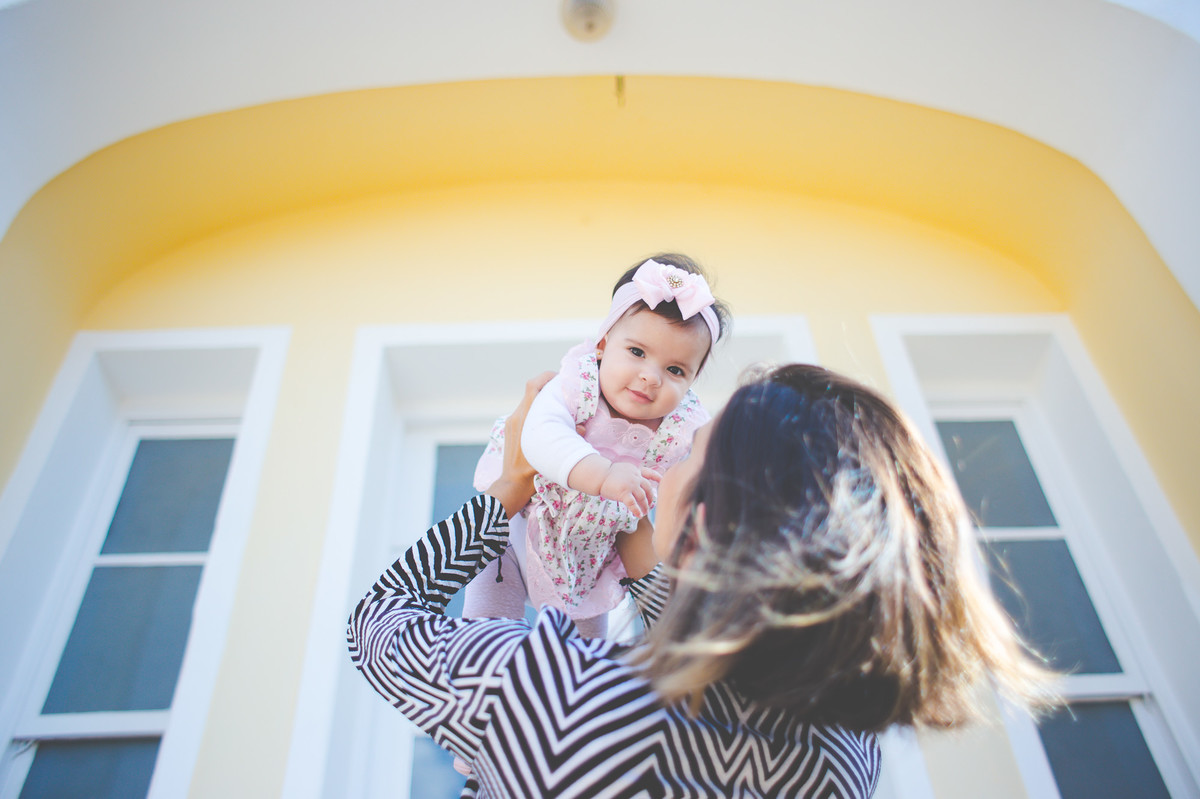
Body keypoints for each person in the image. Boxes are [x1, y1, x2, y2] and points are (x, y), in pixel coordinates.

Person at [347, 364, 1058, 797]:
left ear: (706, 520)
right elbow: (707, 669)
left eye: (688, 446)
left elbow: (378, 622)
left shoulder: (556, 696)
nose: (671, 451)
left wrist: (509, 485)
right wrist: (641, 537)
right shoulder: (845, 756)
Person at [463, 254, 731, 640]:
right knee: (486, 630)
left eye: (675, 370)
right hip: (515, 530)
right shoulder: (577, 383)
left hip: (588, 558)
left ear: (691, 382)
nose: (650, 377)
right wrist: (603, 475)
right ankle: (485, 670)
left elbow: (698, 480)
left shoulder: (681, 427)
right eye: (637, 352)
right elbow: (540, 435)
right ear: (604, 344)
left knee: (587, 656)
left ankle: (578, 683)